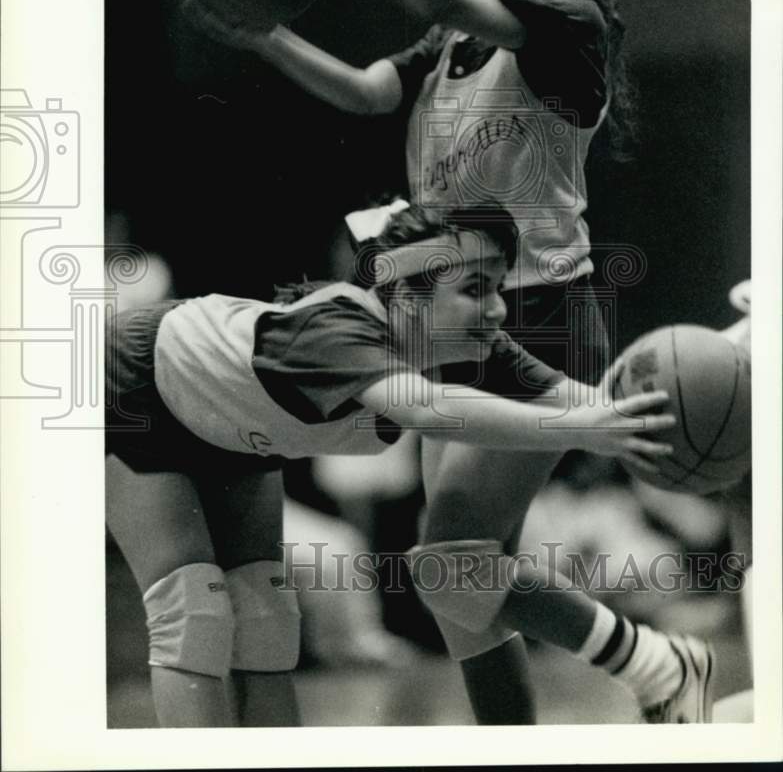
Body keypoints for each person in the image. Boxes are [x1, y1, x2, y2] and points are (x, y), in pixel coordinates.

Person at [179, 0, 713, 723]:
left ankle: (658, 663)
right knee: (461, 591)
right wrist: (263, 34)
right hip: (449, 319)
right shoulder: (451, 37)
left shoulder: (569, 20)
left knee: (444, 559)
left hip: (539, 315)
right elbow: (364, 93)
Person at [105, 202, 675, 728]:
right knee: (193, 611)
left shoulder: (472, 340)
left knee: (266, 620)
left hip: (235, 431)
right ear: (406, 294)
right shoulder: (340, 331)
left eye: (498, 287)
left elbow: (573, 396)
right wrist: (583, 431)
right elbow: (430, 409)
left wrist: (648, 419)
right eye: (476, 289)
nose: (498, 308)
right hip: (136, 383)